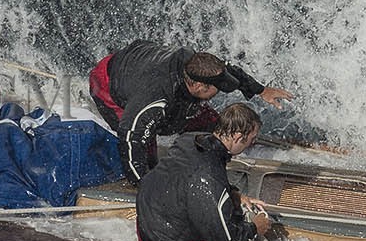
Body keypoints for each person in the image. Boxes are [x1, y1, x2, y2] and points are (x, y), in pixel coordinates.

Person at [89, 40, 292, 183]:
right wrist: (145, 187)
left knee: (209, 122)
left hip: (144, 60)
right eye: (216, 89)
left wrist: (261, 90)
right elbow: (130, 135)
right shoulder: (156, 98)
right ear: (198, 87)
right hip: (108, 84)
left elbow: (229, 70)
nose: (220, 90)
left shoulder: (198, 65)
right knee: (145, 144)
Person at [135, 103, 272, 241]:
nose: (252, 144)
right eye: (252, 140)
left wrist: (234, 194)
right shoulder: (208, 176)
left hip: (147, 231)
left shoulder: (189, 140)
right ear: (238, 137)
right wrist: (255, 228)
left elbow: (185, 177)